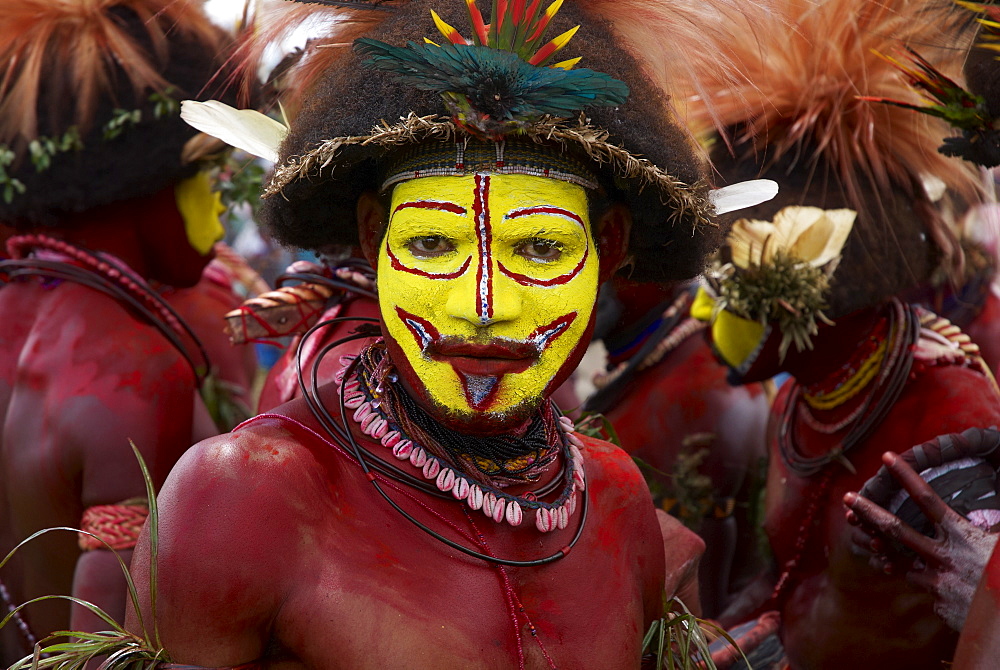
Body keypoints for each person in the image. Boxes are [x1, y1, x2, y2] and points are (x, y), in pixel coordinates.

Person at [124, 0, 776, 666]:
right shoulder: (244, 499)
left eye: (543, 250)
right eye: (433, 242)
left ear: (608, 250)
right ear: (374, 238)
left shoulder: (613, 498)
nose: (483, 304)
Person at [682, 0, 1000, 667]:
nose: (699, 317)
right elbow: (790, 581)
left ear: (808, 294)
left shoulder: (950, 416)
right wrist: (724, 634)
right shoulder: (798, 400)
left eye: (722, 289)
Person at [0, 0, 246, 660]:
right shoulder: (137, 370)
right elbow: (106, 648)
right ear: (151, 183)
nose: (222, 210)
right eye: (210, 177)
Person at [584, 276, 770, 618]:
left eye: (617, 260)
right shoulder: (671, 364)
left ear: (664, 263)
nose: (588, 275)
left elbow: (696, 610)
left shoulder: (697, 398)